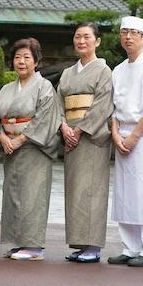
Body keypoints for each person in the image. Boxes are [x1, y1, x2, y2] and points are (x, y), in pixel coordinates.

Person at [107, 16, 143, 268]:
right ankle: (130, 247)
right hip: (122, 134)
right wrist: (115, 134)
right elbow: (112, 108)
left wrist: (133, 137)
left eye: (133, 33)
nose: (128, 37)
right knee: (125, 194)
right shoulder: (118, 70)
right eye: (124, 33)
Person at [0, 38, 60, 261]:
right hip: (10, 146)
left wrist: (20, 139)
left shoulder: (44, 87)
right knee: (13, 194)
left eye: (27, 57)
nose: (21, 62)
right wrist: (3, 137)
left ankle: (33, 246)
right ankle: (18, 241)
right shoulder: (6, 89)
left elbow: (44, 118)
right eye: (17, 57)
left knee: (33, 194)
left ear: (36, 61)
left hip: (33, 148)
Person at [58, 22, 114, 263]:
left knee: (92, 190)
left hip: (92, 137)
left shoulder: (104, 71)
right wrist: (63, 127)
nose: (81, 41)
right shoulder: (67, 73)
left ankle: (93, 246)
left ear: (97, 41)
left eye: (86, 37)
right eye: (77, 37)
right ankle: (80, 243)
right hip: (70, 133)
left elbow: (103, 104)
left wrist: (79, 130)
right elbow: (58, 103)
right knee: (75, 191)